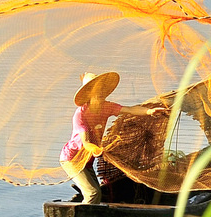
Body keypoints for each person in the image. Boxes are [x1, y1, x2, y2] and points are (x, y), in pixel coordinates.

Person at [60, 71, 167, 204]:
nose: (100, 94)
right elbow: (86, 142)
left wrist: (149, 111)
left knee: (96, 193)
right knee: (93, 193)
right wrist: (96, 149)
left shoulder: (106, 107)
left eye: (101, 91)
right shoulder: (81, 115)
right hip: (72, 159)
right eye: (96, 92)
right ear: (89, 95)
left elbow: (129, 109)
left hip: (87, 161)